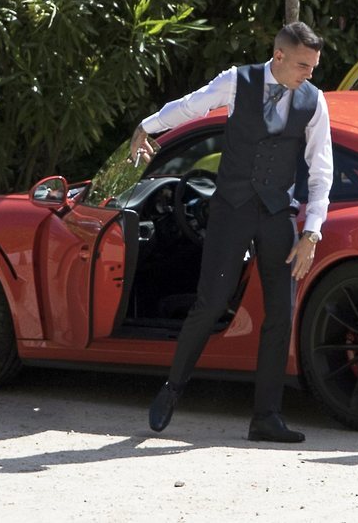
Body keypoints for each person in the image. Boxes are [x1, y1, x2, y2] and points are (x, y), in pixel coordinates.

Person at [129, 22, 333, 443]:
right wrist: (148, 126)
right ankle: (173, 388)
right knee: (210, 303)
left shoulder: (314, 101)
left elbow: (321, 169)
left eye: (313, 66)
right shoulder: (237, 82)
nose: (308, 74)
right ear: (278, 56)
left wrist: (311, 232)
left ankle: (266, 417)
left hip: (277, 214)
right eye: (302, 65)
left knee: (280, 313)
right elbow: (191, 107)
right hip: (231, 210)